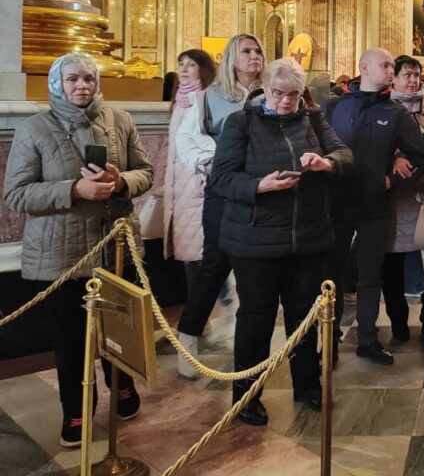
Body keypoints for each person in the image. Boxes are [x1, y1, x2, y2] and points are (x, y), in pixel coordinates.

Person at [5, 53, 154, 447]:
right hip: (64, 254)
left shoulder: (119, 120)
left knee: (119, 328)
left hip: (115, 247)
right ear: (58, 84)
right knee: (71, 339)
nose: (82, 85)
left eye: (89, 78)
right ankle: (76, 410)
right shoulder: (35, 128)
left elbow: (147, 172)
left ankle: (122, 390)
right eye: (73, 79)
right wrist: (74, 190)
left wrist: (121, 181)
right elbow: (17, 194)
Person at [211, 59, 353, 426]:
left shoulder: (314, 119)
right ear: (265, 88)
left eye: (293, 94)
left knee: (303, 319)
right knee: (256, 321)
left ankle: (306, 386)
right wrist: (260, 185)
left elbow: (345, 156)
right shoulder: (241, 122)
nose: (286, 102)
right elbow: (222, 179)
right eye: (278, 93)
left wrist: (325, 163)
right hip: (255, 240)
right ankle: (246, 397)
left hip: (307, 237)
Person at [326, 48, 424, 365]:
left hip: (375, 204)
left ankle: (367, 340)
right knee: (331, 275)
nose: (390, 70)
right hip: (337, 205)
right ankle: (327, 341)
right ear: (364, 68)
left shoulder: (395, 112)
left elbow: (422, 156)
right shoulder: (333, 107)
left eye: (391, 66)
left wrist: (392, 181)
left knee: (370, 276)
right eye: (385, 65)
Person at [174, 33, 265, 380]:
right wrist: (214, 162)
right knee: (214, 263)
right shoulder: (211, 97)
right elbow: (186, 138)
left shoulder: (271, 92)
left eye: (258, 51)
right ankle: (189, 336)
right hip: (224, 192)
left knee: (256, 270)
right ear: (230, 58)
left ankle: (251, 348)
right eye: (246, 51)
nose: (254, 56)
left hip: (262, 191)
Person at [389, 55, 424, 340]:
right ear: (394, 78)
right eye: (407, 75)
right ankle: (398, 322)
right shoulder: (385, 104)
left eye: (417, 75)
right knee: (394, 260)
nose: (413, 81)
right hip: (398, 196)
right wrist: (396, 158)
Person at [162, 50, 218, 288]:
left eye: (191, 65)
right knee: (189, 253)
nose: (183, 69)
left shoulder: (208, 101)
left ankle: (204, 317)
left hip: (199, 186)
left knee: (201, 255)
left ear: (203, 70)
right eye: (181, 64)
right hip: (179, 188)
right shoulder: (179, 103)